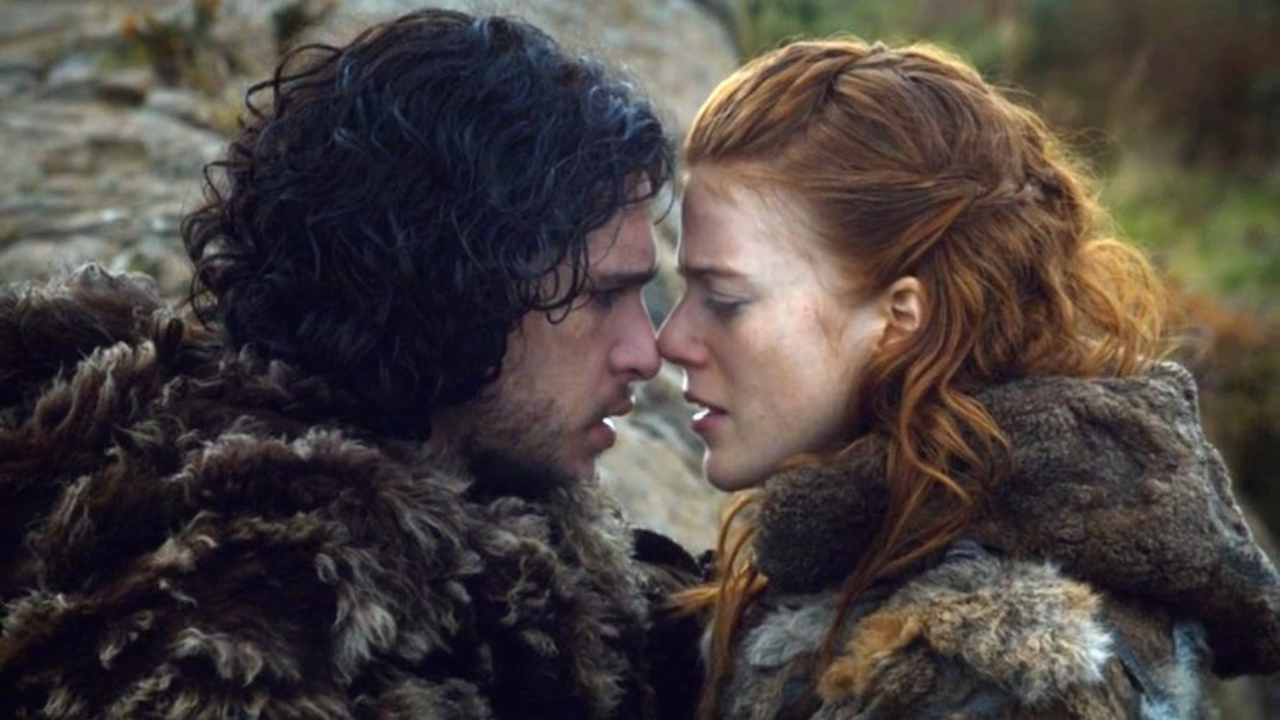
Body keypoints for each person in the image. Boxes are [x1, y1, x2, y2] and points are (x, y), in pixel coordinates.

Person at [0, 9, 701, 718]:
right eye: (602, 296)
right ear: (453, 287)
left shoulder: (516, 535)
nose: (647, 353)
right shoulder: (236, 628)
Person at [657, 39, 1280, 718]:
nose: (672, 340)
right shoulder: (863, 557)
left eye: (725, 299)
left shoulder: (1000, 678)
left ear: (900, 318)